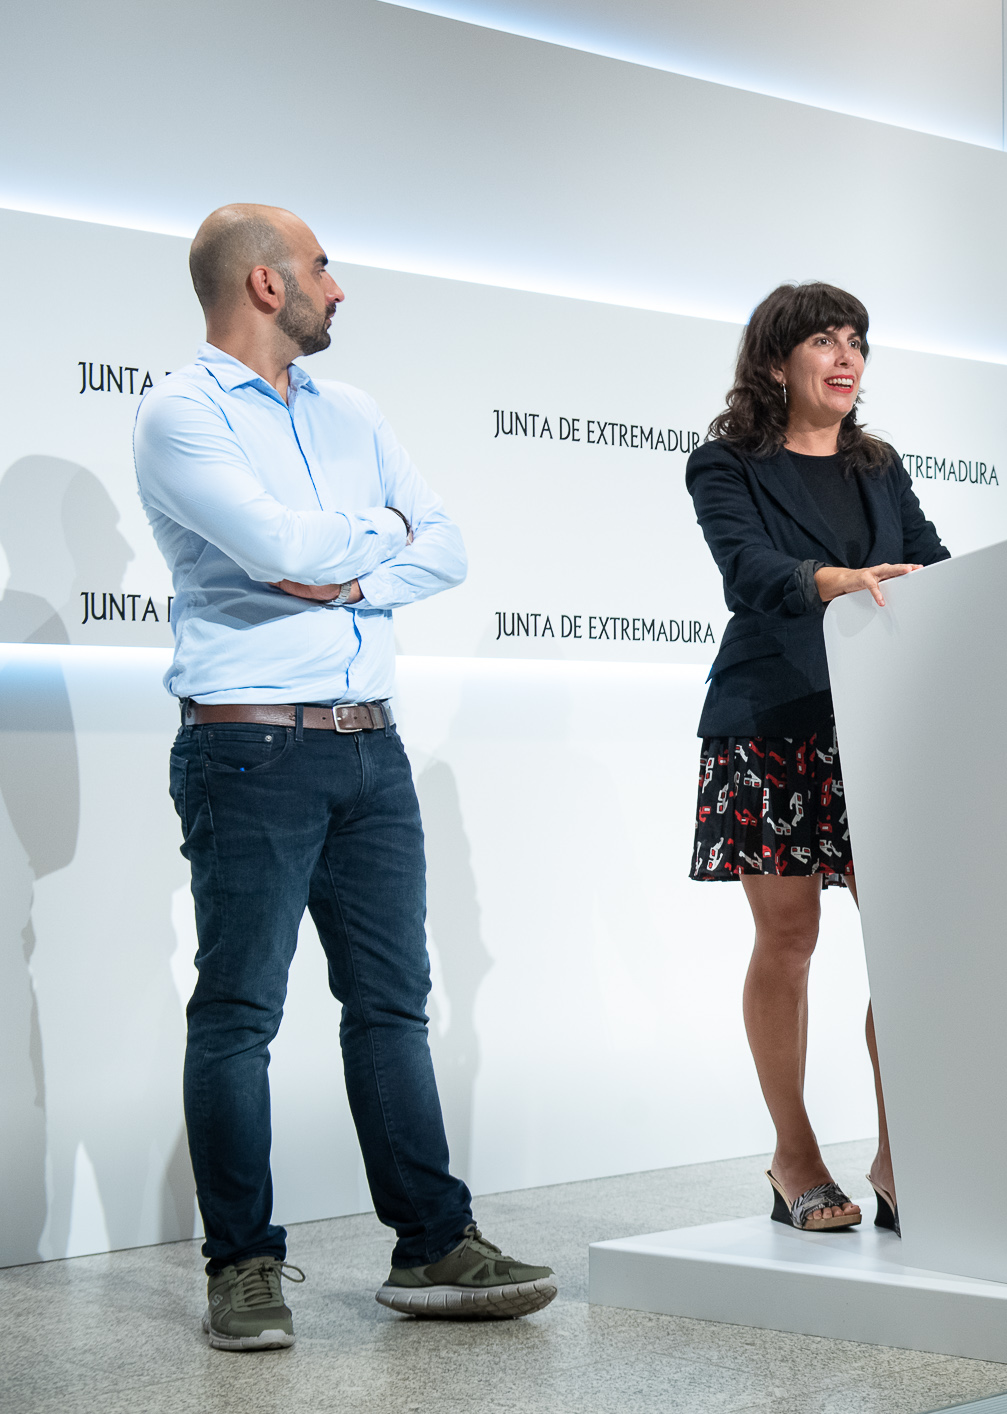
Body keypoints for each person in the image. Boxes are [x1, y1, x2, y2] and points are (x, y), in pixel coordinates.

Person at [134, 204, 554, 1352]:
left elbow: (447, 541)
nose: (339, 286)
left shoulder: (354, 411)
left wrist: (351, 575)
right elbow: (277, 550)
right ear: (266, 284)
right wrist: (370, 538)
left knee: (390, 1005)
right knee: (239, 1012)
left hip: (371, 742)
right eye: (322, 265)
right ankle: (243, 1266)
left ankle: (431, 1241)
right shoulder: (179, 411)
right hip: (249, 745)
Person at [685, 282, 948, 1235]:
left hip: (878, 723)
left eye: (857, 343)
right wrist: (837, 581)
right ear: (774, 363)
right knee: (789, 941)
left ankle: (898, 1154)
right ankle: (793, 1156)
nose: (846, 358)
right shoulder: (726, 465)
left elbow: (932, 562)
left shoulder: (879, 466)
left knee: (907, 945)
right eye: (824, 342)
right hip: (773, 722)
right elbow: (748, 573)